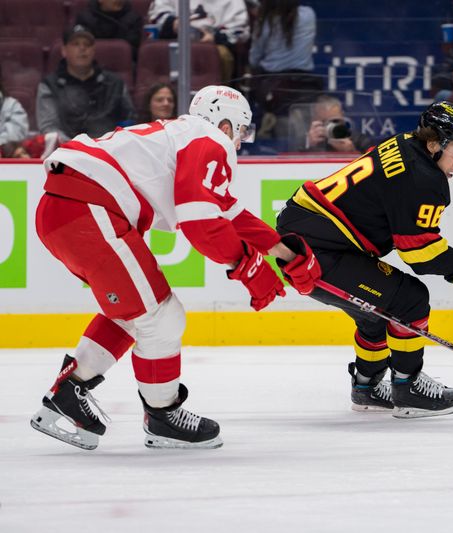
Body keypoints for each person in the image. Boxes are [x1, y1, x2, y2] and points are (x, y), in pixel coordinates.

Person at [30, 85, 321, 450]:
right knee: (163, 317)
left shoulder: (182, 137)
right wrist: (248, 267)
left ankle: (67, 396)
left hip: (66, 210)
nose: (240, 143)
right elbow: (201, 224)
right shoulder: (210, 139)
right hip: (89, 209)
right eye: (242, 132)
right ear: (226, 124)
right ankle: (163, 415)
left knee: (134, 312)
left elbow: (229, 213)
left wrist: (285, 254)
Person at [276, 101, 453, 418]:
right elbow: (418, 253)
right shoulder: (424, 178)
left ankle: (366, 386)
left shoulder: (407, 143)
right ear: (435, 144)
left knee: (376, 312)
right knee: (409, 299)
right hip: (315, 252)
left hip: (311, 237)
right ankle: (408, 388)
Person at [36, 25, 135, 142]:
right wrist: (77, 148)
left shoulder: (115, 83)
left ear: (93, 51)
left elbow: (129, 121)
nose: (82, 48)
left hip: (109, 151)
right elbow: (50, 128)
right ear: (64, 51)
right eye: (76, 44)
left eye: (87, 44)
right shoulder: (49, 85)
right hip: (67, 152)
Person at [248, 0, 320, 137]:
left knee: (251, 109)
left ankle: (250, 143)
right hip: (306, 85)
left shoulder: (266, 20)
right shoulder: (309, 14)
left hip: (272, 85)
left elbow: (254, 59)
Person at [148, 0, 250, 82]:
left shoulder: (234, 2)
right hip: (174, 40)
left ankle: (219, 98)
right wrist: (173, 24)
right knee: (154, 51)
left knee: (222, 54)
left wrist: (215, 37)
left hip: (212, 45)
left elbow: (240, 31)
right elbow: (156, 16)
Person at [74, 0, 143, 61]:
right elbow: (83, 47)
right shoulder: (85, 18)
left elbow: (132, 50)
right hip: (91, 65)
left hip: (122, 64)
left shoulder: (134, 19)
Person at [301, 94, 373, 153]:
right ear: (315, 120)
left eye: (335, 121)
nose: (331, 127)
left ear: (343, 117)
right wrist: (310, 146)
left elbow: (374, 165)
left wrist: (352, 152)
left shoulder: (359, 140)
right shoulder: (306, 141)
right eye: (325, 122)